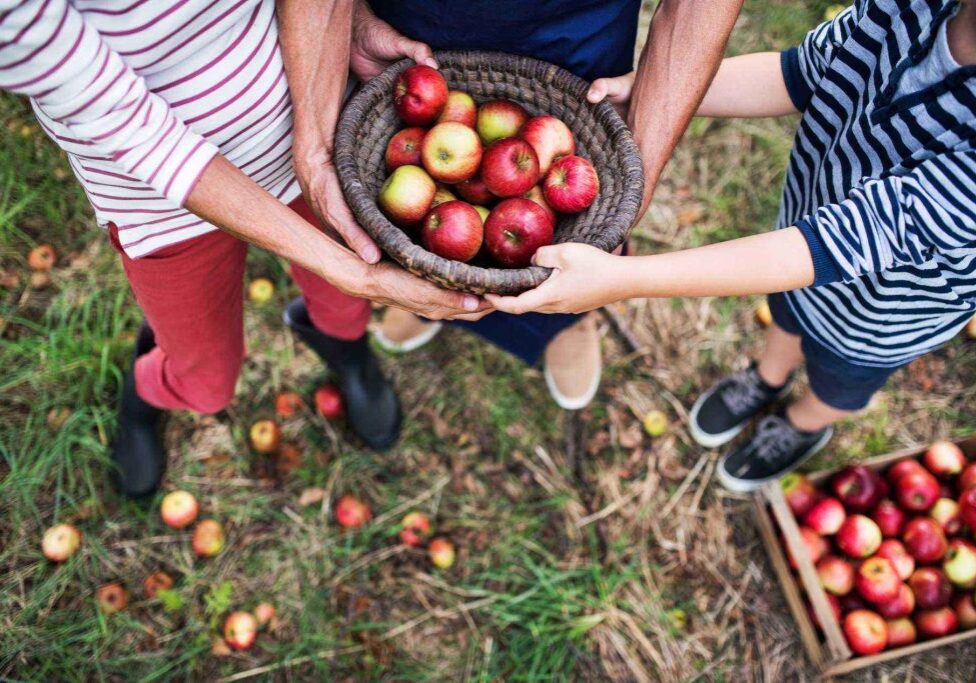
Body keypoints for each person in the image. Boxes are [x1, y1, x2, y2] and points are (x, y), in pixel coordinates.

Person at [0, 0, 490, 497]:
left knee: (345, 310)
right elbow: (126, 125)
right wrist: (350, 270)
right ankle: (143, 388)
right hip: (160, 202)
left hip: (311, 127)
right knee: (206, 384)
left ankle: (346, 352)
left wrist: (349, 25)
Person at [488, 0, 976, 491]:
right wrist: (649, 90)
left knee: (840, 376)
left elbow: (846, 239)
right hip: (799, 239)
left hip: (887, 312)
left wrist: (624, 279)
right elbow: (803, 73)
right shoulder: (913, 6)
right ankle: (767, 377)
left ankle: (804, 424)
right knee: (786, 315)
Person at [350, 0, 744, 409]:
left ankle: (568, 323)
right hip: (419, 39)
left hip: (576, 39)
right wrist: (355, 17)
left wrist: (638, 172)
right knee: (432, 256)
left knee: (575, 251)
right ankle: (430, 306)